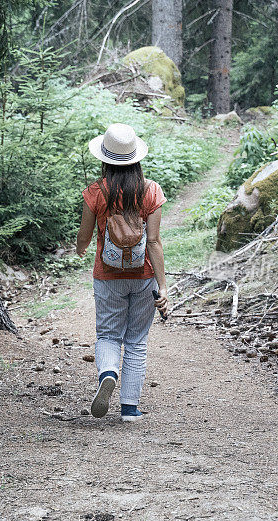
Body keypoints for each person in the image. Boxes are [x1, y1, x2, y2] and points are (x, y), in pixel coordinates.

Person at [76, 123, 170, 422]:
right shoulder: (151, 191)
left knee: (108, 334)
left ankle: (107, 373)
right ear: (136, 158)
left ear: (105, 158)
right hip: (142, 277)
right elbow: (153, 241)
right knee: (136, 340)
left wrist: (79, 249)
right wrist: (163, 286)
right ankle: (129, 408)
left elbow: (85, 235)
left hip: (107, 275)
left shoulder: (96, 192)